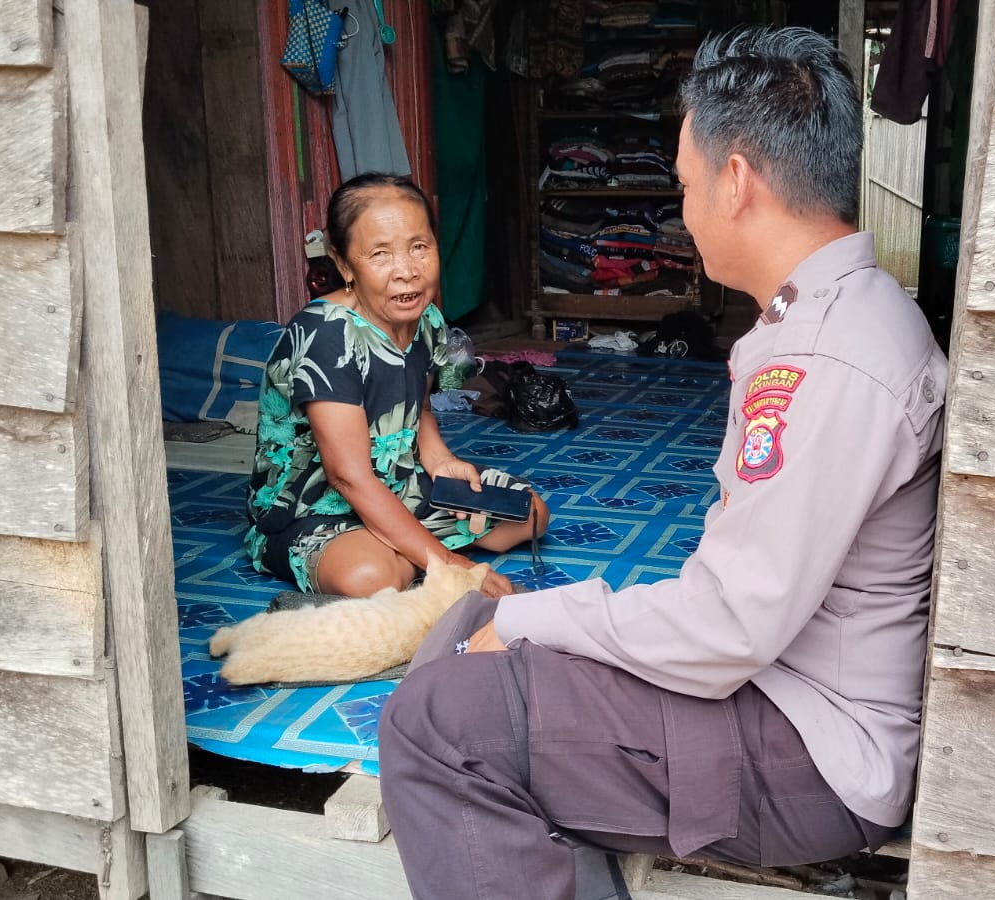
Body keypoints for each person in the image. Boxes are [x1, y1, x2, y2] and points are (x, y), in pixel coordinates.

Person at [379, 27, 948, 899]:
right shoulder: (829, 318)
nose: (682, 212)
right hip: (777, 694)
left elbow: (727, 630)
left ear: (737, 181)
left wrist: (546, 621)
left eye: (684, 185)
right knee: (464, 634)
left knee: (437, 722)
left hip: (807, 749)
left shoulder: (830, 361)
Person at [245, 173, 548, 600]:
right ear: (345, 264)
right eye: (380, 254)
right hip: (315, 507)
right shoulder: (327, 336)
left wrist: (441, 459)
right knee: (371, 577)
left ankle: (405, 549)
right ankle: (407, 551)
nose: (407, 272)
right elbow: (347, 477)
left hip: (400, 483)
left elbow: (416, 409)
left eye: (419, 247)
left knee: (530, 513)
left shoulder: (427, 320)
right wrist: (453, 566)